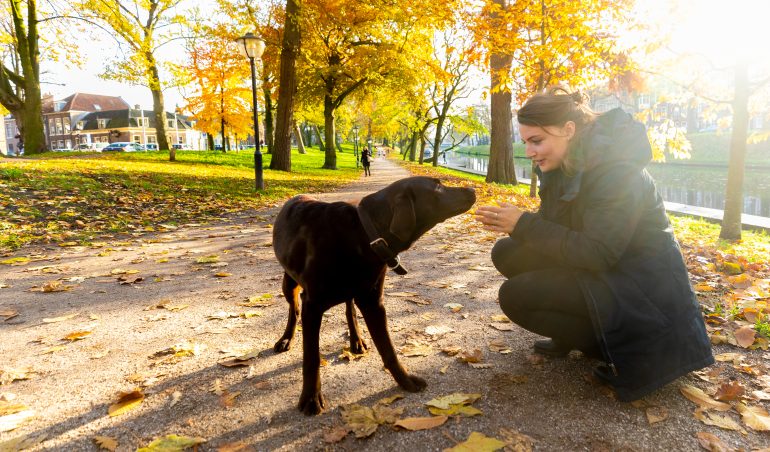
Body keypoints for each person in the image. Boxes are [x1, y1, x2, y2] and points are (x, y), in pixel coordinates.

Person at [474, 87, 713, 402]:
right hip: (609, 274)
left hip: (642, 292)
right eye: (526, 143)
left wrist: (523, 223)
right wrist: (519, 225)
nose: (529, 152)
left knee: (515, 297)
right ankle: (573, 333)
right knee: (508, 251)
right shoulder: (562, 166)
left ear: (568, 130)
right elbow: (558, 230)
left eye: (537, 141)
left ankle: (625, 350)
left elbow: (598, 252)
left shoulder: (617, 172)